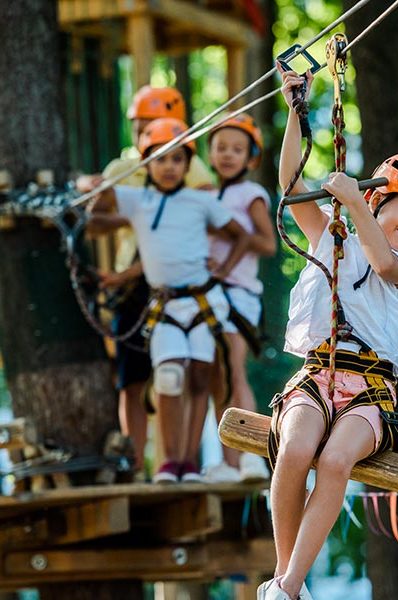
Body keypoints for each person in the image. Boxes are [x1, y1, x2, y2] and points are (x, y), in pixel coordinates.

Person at [258, 68, 398, 600]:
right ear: (378, 199)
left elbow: (380, 259)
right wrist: (297, 109)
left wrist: (350, 204)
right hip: (315, 375)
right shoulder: (331, 235)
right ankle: (284, 581)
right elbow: (290, 185)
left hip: (368, 392)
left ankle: (290, 583)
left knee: (335, 460)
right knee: (295, 449)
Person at [79, 117, 249, 484]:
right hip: (166, 306)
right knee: (170, 378)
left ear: (188, 165)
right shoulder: (136, 199)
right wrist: (95, 189)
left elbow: (240, 235)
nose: (169, 167)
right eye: (160, 159)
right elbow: (97, 216)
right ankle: (169, 462)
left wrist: (223, 270)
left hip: (203, 302)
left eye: (177, 159)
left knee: (201, 379)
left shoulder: (198, 201)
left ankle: (189, 462)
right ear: (146, 164)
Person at [100, 86, 213, 481]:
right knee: (132, 379)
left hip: (172, 283)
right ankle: (134, 465)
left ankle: (178, 461)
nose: (146, 132)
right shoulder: (121, 168)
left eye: (153, 124)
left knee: (176, 374)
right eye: (139, 126)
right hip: (131, 286)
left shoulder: (191, 165)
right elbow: (101, 223)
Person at [203, 114, 276, 484]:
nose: (228, 155)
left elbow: (267, 242)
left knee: (234, 372)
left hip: (237, 295)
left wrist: (232, 240)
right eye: (221, 148)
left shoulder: (251, 195)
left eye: (237, 149)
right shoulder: (207, 194)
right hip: (208, 296)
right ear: (211, 154)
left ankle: (250, 458)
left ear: (251, 158)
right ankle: (227, 463)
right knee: (218, 378)